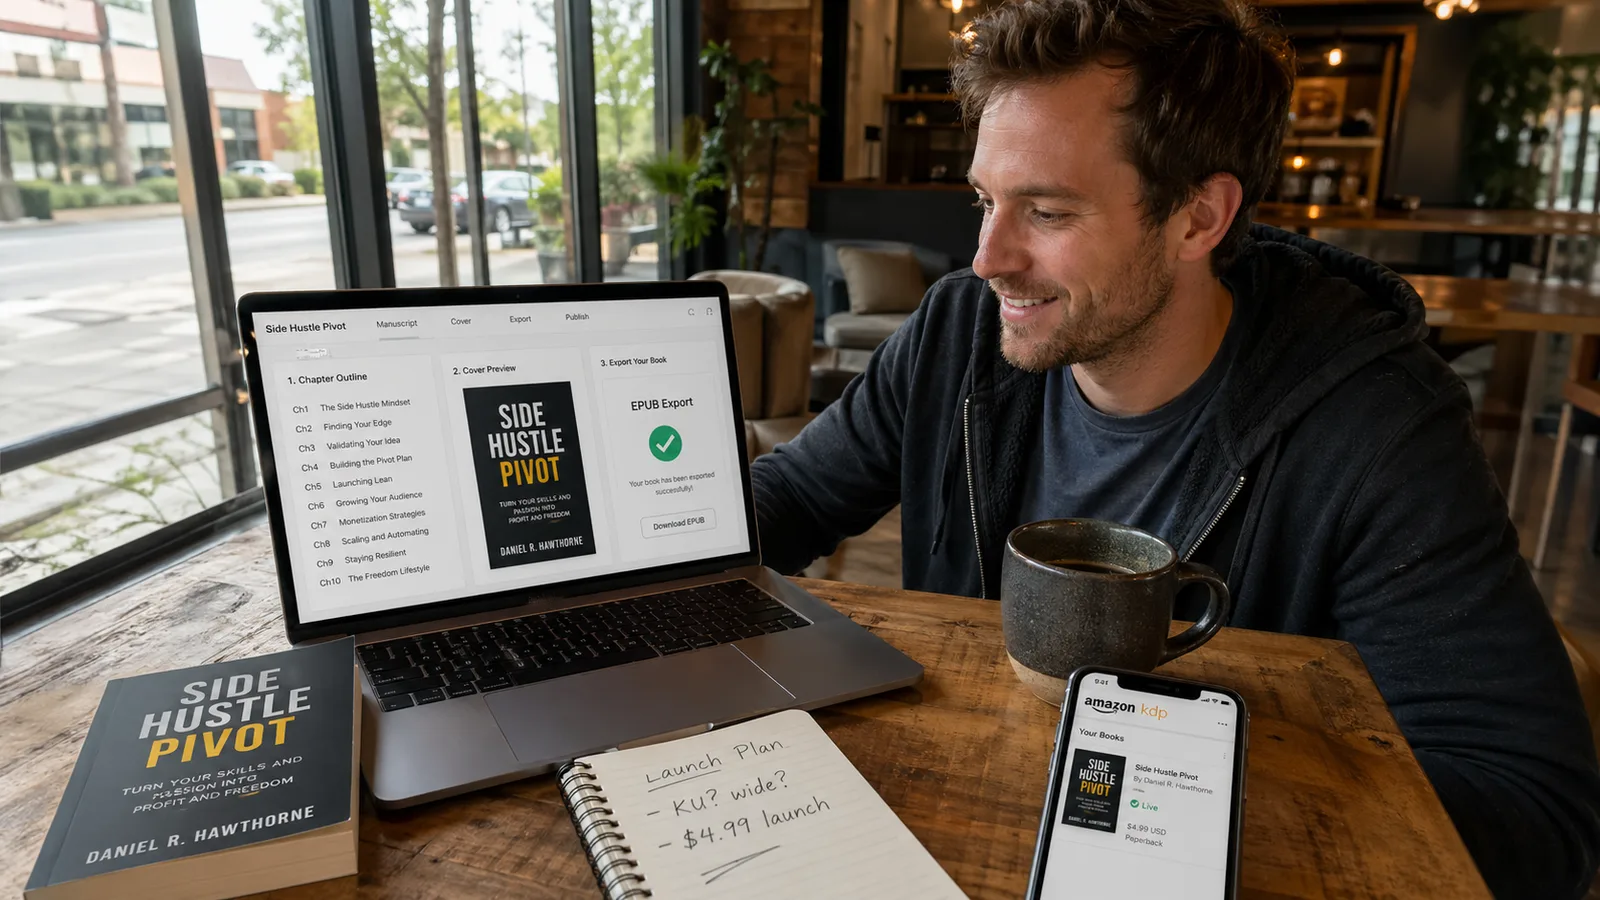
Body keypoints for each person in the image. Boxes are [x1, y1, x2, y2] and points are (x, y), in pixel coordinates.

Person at [749, 0, 1600, 895]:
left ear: (1200, 218)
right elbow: (793, 501)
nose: (988, 257)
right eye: (984, 201)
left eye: (1045, 211)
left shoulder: (1374, 420)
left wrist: (1172, 822)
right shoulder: (957, 333)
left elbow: (1531, 807)